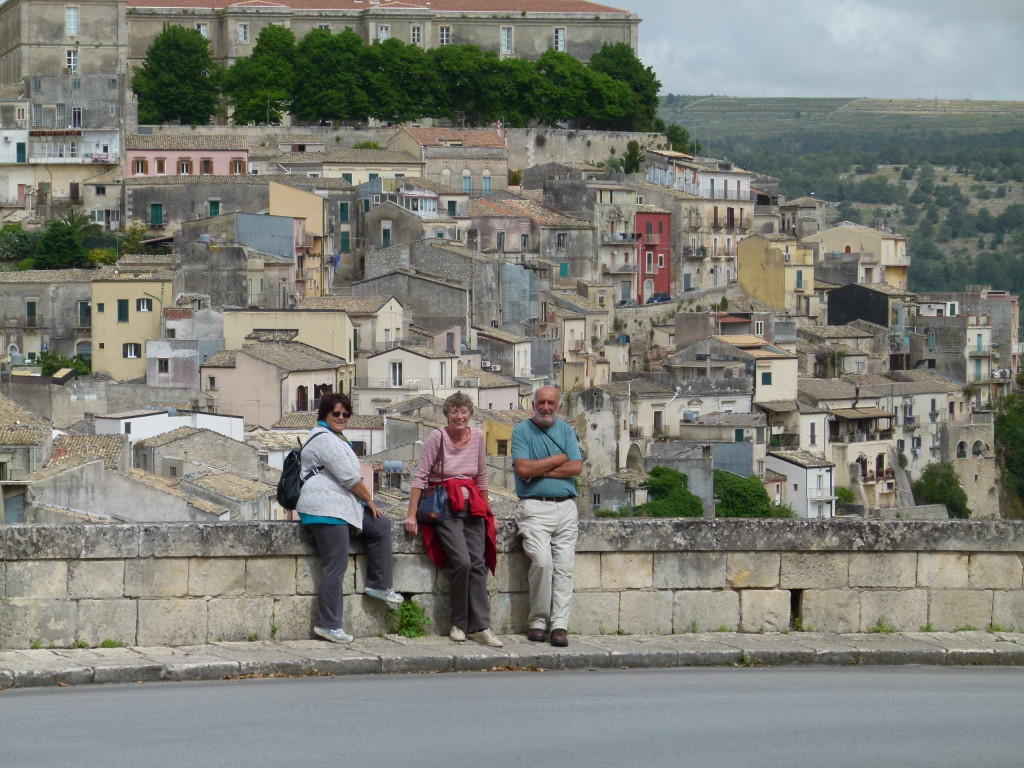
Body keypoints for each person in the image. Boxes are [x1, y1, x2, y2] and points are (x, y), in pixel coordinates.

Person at [297, 392, 403, 644]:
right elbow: (349, 478)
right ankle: (328, 624)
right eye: (336, 413)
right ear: (324, 415)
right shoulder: (324, 439)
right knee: (335, 566)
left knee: (380, 526)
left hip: (342, 506)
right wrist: (370, 500)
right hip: (325, 508)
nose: (341, 417)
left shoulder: (336, 438)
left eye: (345, 414)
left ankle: (379, 584)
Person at [404, 392, 502, 648]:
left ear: (470, 414)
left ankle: (481, 626)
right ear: (447, 415)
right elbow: (420, 476)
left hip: (473, 507)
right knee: (462, 562)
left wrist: (488, 511)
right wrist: (411, 513)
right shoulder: (438, 437)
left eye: (463, 411)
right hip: (445, 506)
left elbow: (481, 476)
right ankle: (458, 623)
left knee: (478, 564)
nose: (459, 416)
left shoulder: (478, 436)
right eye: (454, 412)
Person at [511, 385, 582, 647]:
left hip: (565, 507)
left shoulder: (566, 430)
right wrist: (560, 458)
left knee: (564, 568)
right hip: (534, 508)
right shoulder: (521, 432)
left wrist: (539, 470)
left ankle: (560, 625)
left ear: (559, 407)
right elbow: (522, 468)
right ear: (533, 405)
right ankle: (538, 622)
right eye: (541, 402)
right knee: (542, 563)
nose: (546, 408)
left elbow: (576, 467)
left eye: (551, 403)